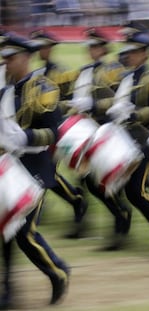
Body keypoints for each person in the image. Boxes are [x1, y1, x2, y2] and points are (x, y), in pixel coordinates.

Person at [0, 32, 69, 308]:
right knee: (5, 230)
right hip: (10, 168)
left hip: (36, 169)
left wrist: (26, 138)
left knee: (25, 233)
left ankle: (58, 272)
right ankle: (9, 289)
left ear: (25, 58)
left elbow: (56, 132)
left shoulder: (44, 88)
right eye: (4, 58)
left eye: (11, 58)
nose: (6, 63)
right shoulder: (4, 91)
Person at [64, 27, 132, 249]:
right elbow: (75, 98)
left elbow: (119, 101)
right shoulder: (84, 71)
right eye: (90, 46)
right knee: (83, 181)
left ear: (103, 48)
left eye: (95, 46)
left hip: (107, 132)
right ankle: (82, 223)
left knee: (107, 184)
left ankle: (120, 225)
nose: (91, 50)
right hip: (86, 134)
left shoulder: (114, 70)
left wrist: (93, 105)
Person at [105, 30, 149, 249]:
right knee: (114, 186)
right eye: (128, 52)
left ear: (145, 54)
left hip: (144, 142)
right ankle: (121, 230)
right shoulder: (125, 78)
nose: (129, 56)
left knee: (136, 191)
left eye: (134, 52)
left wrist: (134, 114)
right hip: (123, 141)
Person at [30, 29, 88, 238]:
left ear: (50, 49)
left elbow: (73, 102)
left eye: (44, 47)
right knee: (41, 174)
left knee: (47, 175)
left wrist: (57, 106)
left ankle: (76, 199)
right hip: (40, 129)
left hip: (58, 130)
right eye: (38, 47)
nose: (41, 51)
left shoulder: (61, 74)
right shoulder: (37, 74)